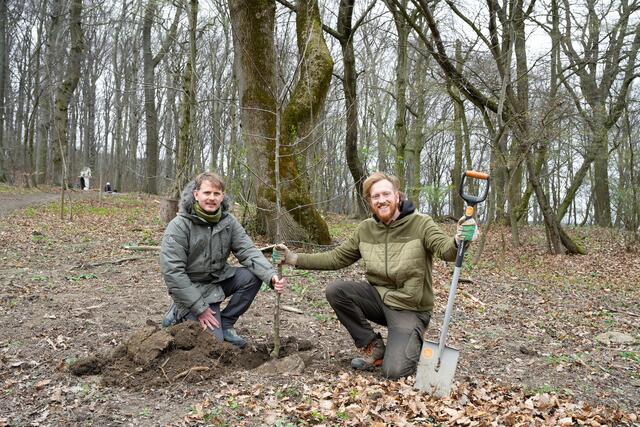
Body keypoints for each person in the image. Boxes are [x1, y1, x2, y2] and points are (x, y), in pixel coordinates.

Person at [274, 172, 477, 379]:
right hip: (378, 298)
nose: (381, 200)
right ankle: (374, 346)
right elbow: (336, 258)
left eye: (386, 194)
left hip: (410, 308)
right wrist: (293, 259)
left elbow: (447, 251)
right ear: (369, 201)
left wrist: (460, 239)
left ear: (397, 196)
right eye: (375, 196)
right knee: (337, 291)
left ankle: (410, 341)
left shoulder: (421, 224)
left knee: (394, 372)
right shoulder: (366, 229)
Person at [159, 172, 286, 348]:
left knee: (253, 276)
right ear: (196, 195)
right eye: (207, 193)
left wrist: (271, 275)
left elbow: (248, 251)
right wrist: (200, 308)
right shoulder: (179, 225)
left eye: (216, 194)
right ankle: (178, 311)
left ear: (222, 197)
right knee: (213, 343)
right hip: (191, 288)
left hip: (217, 280)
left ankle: (226, 323)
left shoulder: (228, 221)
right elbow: (173, 272)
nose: (212, 198)